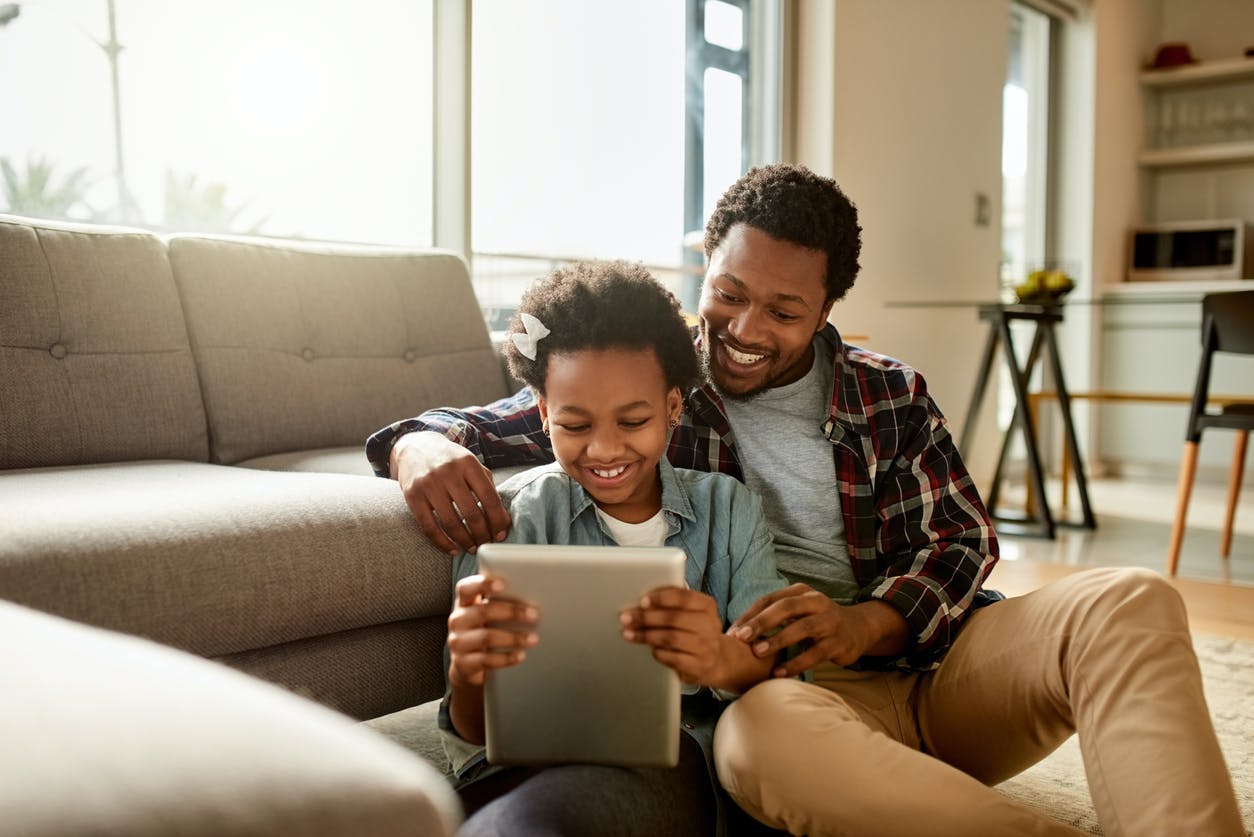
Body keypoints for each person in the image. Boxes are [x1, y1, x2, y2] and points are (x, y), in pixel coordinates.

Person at [368, 164, 1243, 836]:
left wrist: (866, 623)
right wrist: (417, 443)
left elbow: (960, 540)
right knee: (758, 738)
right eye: (730, 294)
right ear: (706, 267)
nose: (746, 331)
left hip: (935, 677)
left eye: (784, 311)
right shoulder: (659, 379)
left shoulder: (887, 392)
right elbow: (533, 414)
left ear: (827, 308)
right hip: (784, 698)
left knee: (1129, 599)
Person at [437, 260, 789, 836]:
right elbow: (474, 734)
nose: (604, 450)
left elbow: (776, 665)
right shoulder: (513, 517)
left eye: (632, 421)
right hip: (527, 768)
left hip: (668, 766)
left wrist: (719, 657)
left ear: (672, 407)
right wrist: (469, 674)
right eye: (575, 426)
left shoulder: (729, 511)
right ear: (543, 413)